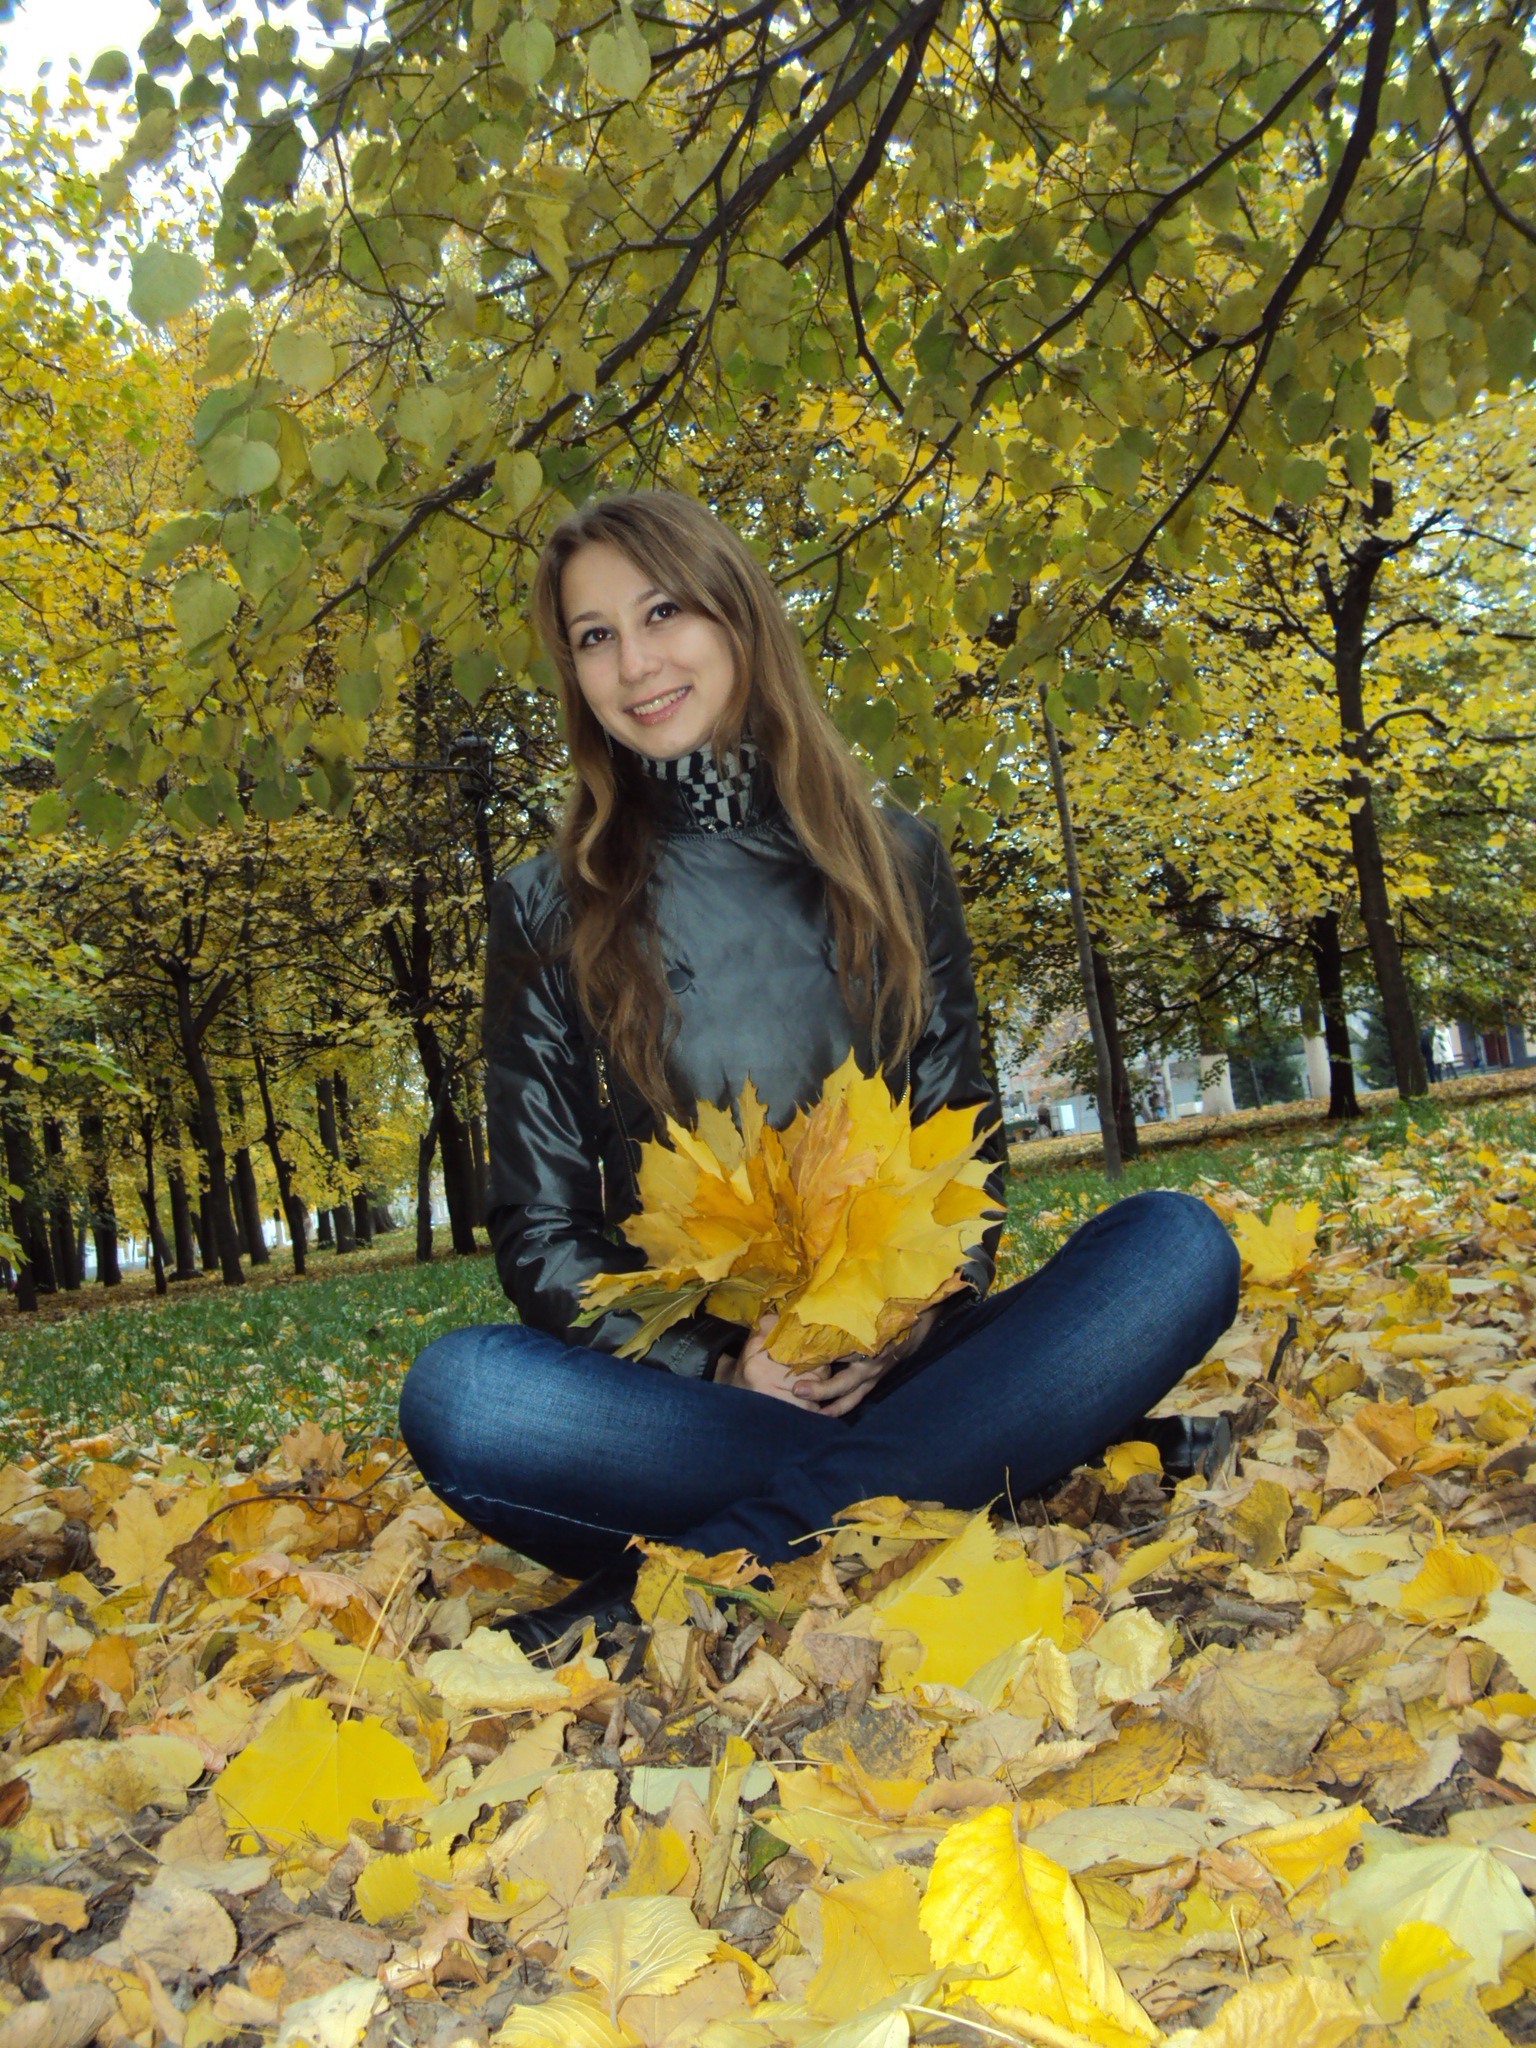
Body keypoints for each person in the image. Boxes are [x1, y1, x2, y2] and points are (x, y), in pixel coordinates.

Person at [399, 489, 1241, 1653]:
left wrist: (902, 1326)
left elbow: (963, 1135)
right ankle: (1016, 1456)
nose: (634, 662)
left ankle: (714, 1568)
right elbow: (542, 1233)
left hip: (914, 1357)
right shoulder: (546, 905)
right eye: (595, 636)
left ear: (738, 614)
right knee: (465, 1395)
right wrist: (721, 1365)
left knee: (1178, 1242)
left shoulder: (895, 854)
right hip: (701, 1409)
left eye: (662, 611)